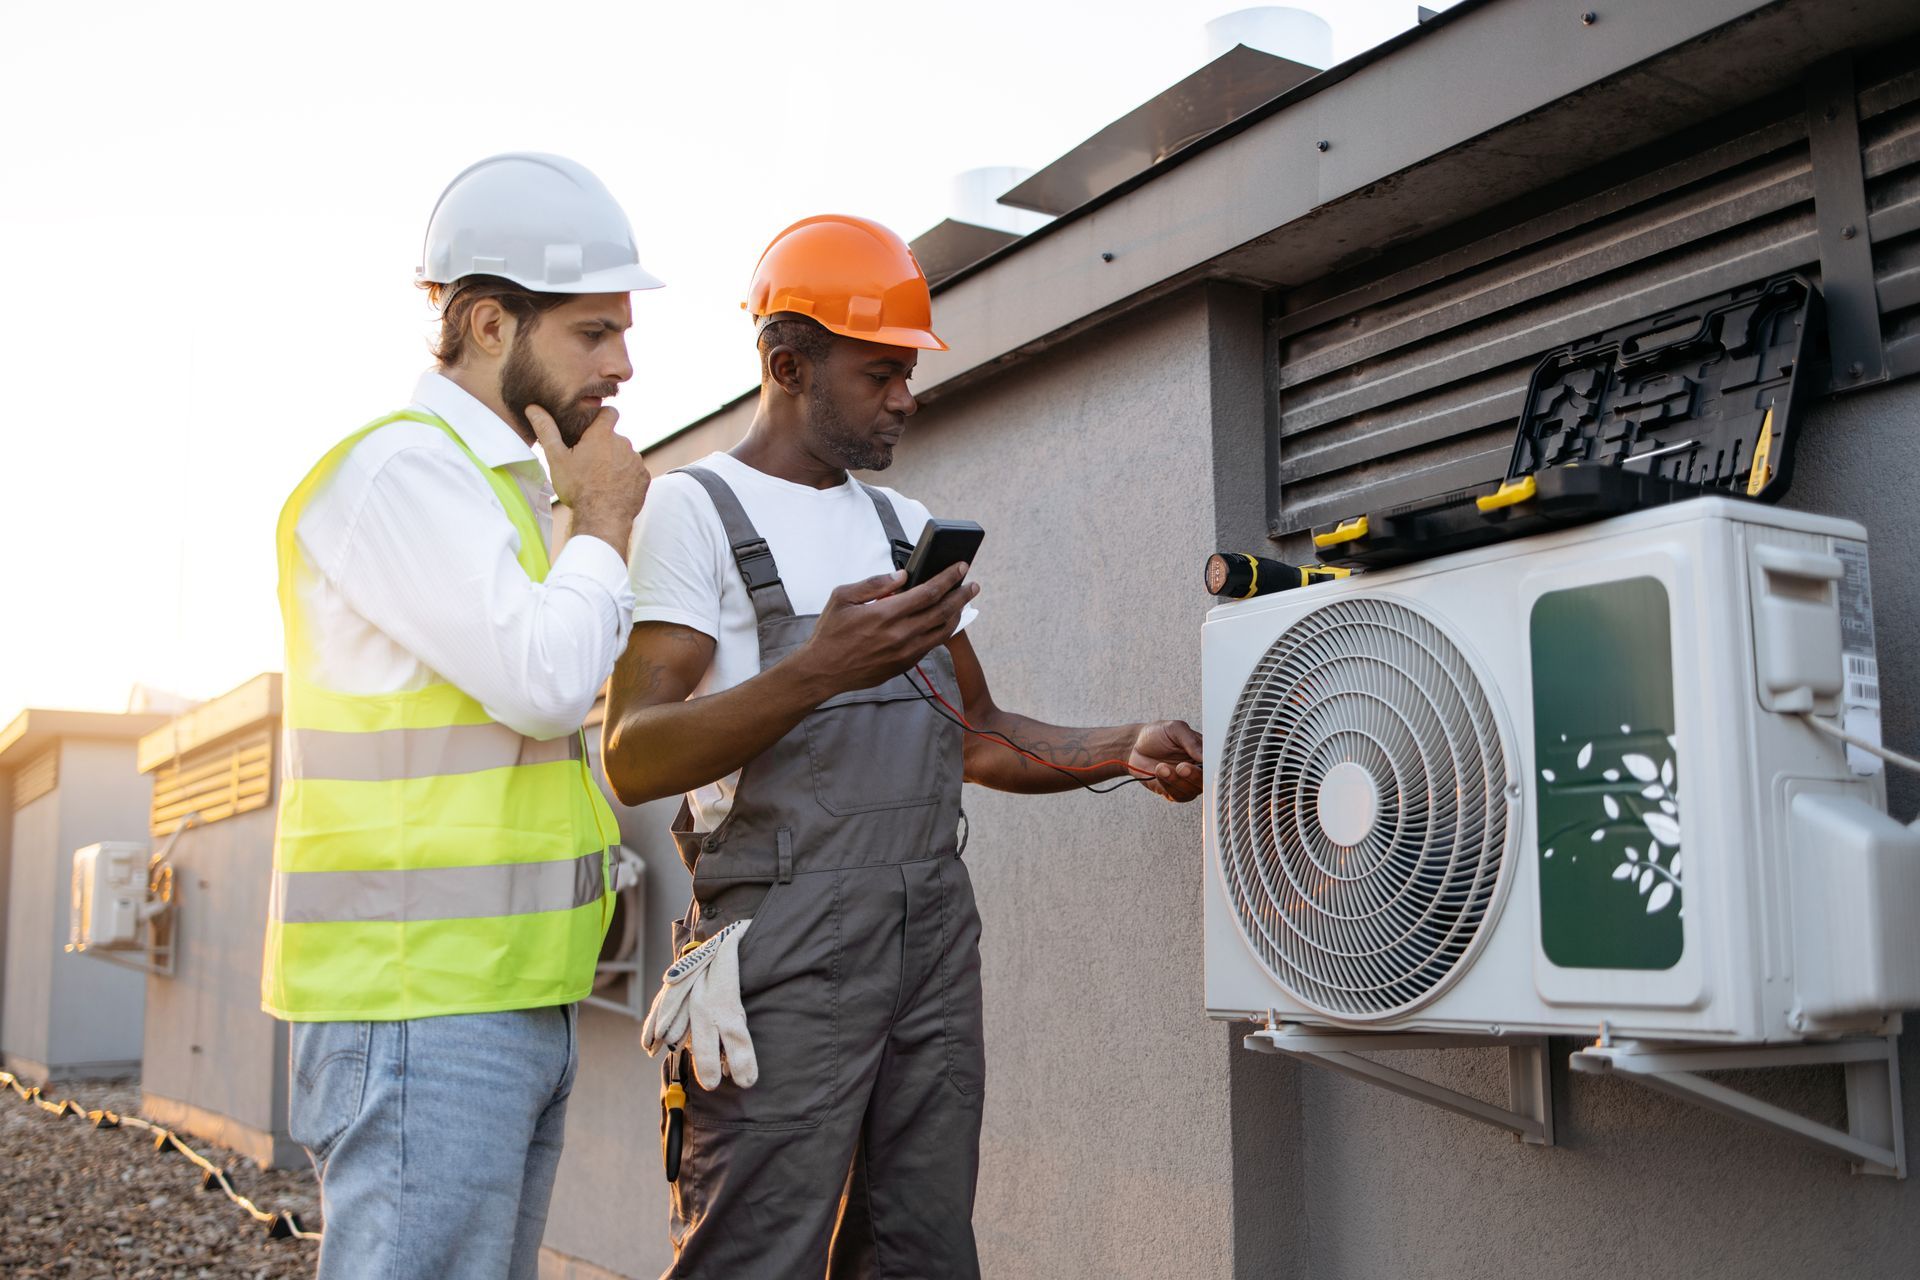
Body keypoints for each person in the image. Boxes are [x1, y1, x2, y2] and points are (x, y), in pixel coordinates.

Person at [602, 213, 1204, 1279]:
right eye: (881, 374)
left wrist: (1126, 744)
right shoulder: (695, 511)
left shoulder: (900, 526)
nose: (906, 398)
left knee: (920, 1249)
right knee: (755, 1248)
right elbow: (635, 755)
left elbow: (980, 735)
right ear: (789, 365)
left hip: (929, 932)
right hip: (779, 936)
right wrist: (819, 667)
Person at [261, 152, 657, 1279]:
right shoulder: (403, 476)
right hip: (419, 1005)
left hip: (503, 995)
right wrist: (602, 528)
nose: (624, 364)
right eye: (594, 331)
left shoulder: (514, 494)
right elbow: (542, 679)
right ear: (488, 323)